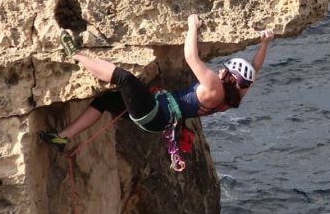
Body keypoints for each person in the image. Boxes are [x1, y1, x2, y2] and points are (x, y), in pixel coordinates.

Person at [39, 15, 275, 157]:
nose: (221, 69)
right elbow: (254, 70)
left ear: (230, 77)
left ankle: (76, 55)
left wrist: (192, 26)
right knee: (104, 101)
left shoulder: (215, 86)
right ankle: (62, 138)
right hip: (157, 117)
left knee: (125, 79)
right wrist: (265, 43)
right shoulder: (234, 96)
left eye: (226, 69)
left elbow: (191, 58)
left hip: (154, 113)